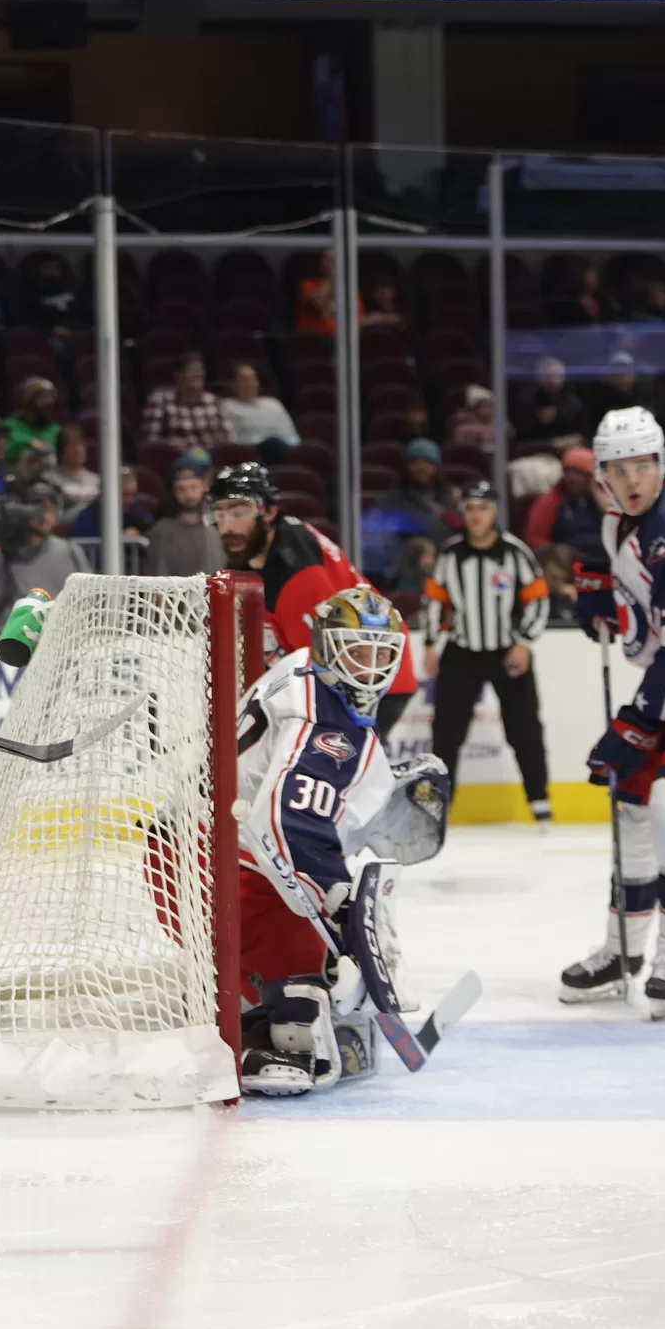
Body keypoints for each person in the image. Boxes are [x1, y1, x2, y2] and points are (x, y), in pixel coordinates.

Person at [233, 587, 446, 1095]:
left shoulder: (303, 668)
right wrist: (339, 902)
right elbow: (285, 822)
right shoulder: (328, 721)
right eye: (356, 650)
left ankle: (261, 1006)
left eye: (381, 654)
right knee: (313, 992)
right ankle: (269, 1038)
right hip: (215, 869)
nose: (369, 668)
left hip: (196, 850)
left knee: (325, 976)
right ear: (329, 645)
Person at [563, 407, 665, 1018]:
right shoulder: (619, 523)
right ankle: (622, 949)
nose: (633, 479)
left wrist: (640, 724)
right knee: (631, 805)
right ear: (600, 473)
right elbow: (649, 638)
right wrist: (609, 605)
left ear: (662, 465)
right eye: (619, 468)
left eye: (644, 465)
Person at [210, 461, 418, 735]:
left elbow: (322, 665)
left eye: (238, 512)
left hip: (370, 678)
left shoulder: (295, 572)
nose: (227, 526)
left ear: (269, 512)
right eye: (219, 514)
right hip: (358, 669)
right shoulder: (262, 549)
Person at [423, 481, 552, 824]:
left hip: (507, 651)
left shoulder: (514, 552)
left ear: (494, 512)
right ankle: (440, 809)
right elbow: (435, 602)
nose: (476, 515)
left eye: (483, 508)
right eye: (470, 509)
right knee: (447, 733)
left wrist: (524, 642)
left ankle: (539, 802)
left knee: (524, 729)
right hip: (462, 651)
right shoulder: (450, 554)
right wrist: (431, 646)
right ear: (463, 513)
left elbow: (537, 599)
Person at [0, 489, 88, 613]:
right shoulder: (6, 552)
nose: (44, 516)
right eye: (39, 508)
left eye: (50, 510)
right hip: (21, 628)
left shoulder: (71, 550)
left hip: (63, 626)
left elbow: (91, 594)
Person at [144, 449, 227, 577]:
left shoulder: (220, 527)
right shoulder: (161, 531)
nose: (188, 495)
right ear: (174, 491)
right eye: (181, 489)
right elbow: (157, 583)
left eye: (193, 487)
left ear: (204, 486)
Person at [522, 446, 606, 563]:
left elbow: (616, 527)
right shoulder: (550, 500)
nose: (572, 478)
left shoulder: (601, 497)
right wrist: (557, 554)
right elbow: (535, 539)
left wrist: (597, 493)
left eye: (579, 473)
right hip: (565, 565)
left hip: (602, 562)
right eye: (568, 472)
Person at [140, 352, 234, 448]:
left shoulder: (215, 402)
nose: (198, 374)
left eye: (200, 370)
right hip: (177, 458)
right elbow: (151, 442)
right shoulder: (160, 400)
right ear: (177, 375)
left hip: (212, 458)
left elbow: (229, 440)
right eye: (192, 370)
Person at [221, 362, 299, 457]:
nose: (250, 384)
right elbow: (233, 439)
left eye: (253, 379)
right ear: (233, 384)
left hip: (282, 449)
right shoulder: (227, 406)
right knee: (273, 443)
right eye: (244, 380)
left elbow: (291, 435)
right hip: (252, 452)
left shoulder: (274, 403)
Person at [514, 356, 588, 442]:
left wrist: (559, 414)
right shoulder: (528, 398)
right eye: (548, 376)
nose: (553, 380)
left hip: (567, 447)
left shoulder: (572, 401)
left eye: (557, 375)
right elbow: (522, 431)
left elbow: (583, 432)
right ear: (539, 377)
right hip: (536, 446)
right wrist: (538, 419)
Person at [1, 376, 61, 463]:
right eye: (43, 397)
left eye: (51, 397)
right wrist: (29, 443)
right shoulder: (9, 426)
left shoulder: (56, 430)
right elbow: (4, 451)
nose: (49, 402)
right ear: (27, 402)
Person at [49, 421, 99, 518]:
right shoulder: (50, 480)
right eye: (73, 445)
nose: (79, 450)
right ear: (62, 450)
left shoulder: (96, 480)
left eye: (82, 445)